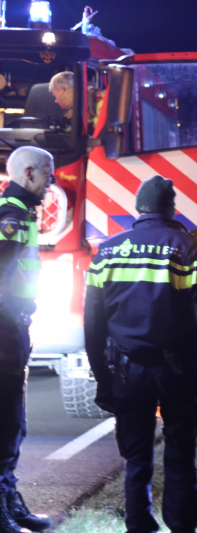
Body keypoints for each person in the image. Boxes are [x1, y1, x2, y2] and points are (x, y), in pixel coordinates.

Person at [83, 175, 197, 533]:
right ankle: (181, 525)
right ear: (171, 208)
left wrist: (102, 379)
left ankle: (138, 523)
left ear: (138, 209)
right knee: (180, 451)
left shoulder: (107, 250)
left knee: (135, 455)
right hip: (177, 371)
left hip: (125, 372)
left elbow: (93, 325)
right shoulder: (185, 246)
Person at [0, 146, 56, 533]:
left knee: (13, 422)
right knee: (4, 421)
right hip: (4, 328)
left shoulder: (21, 214)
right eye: (48, 177)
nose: (51, 185)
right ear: (30, 172)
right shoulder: (11, 217)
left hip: (13, 326)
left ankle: (9, 500)